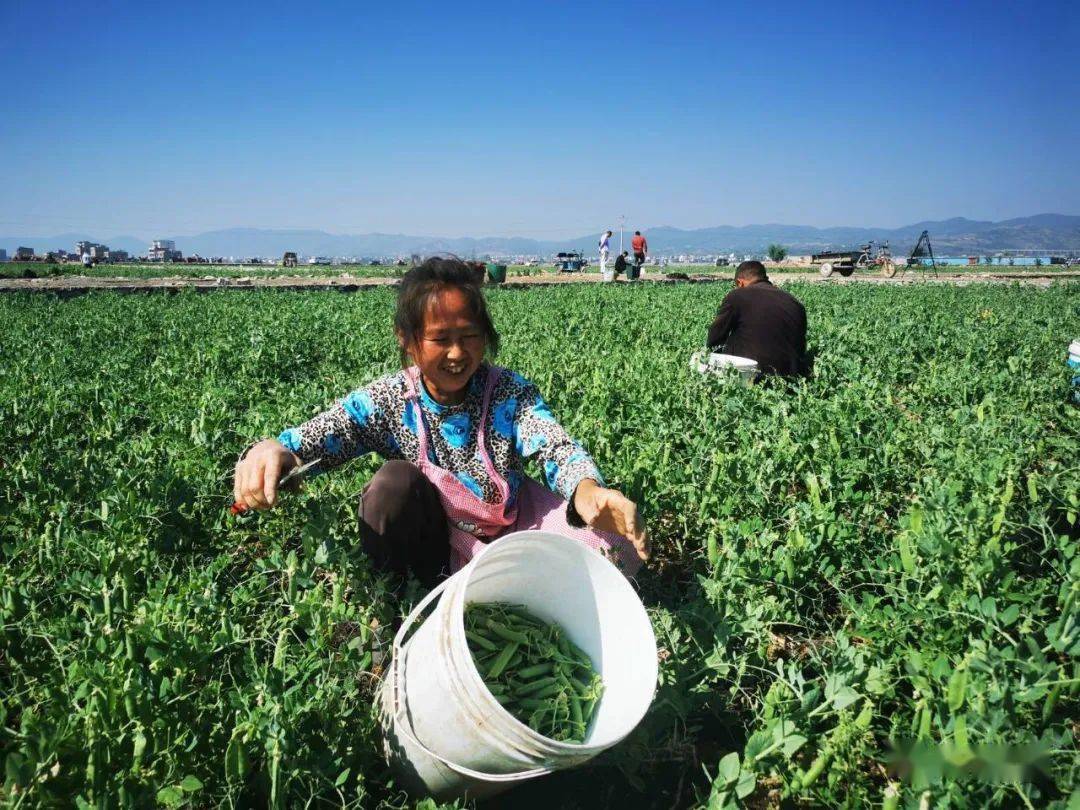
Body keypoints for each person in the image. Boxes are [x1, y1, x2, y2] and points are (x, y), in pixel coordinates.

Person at [233, 257, 649, 587]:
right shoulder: (389, 400)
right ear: (408, 339)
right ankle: (402, 597)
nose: (457, 353)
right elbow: (323, 434)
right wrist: (274, 450)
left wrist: (587, 492)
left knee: (610, 544)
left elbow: (555, 445)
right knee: (392, 485)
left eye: (469, 336)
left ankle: (515, 586)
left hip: (513, 526)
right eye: (440, 338)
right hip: (437, 543)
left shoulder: (508, 391)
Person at [706, 260, 810, 378]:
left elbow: (715, 337)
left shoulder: (737, 296)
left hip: (752, 374)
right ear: (766, 278)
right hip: (791, 376)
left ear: (740, 283)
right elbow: (801, 346)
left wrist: (712, 354)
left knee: (701, 360)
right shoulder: (794, 302)